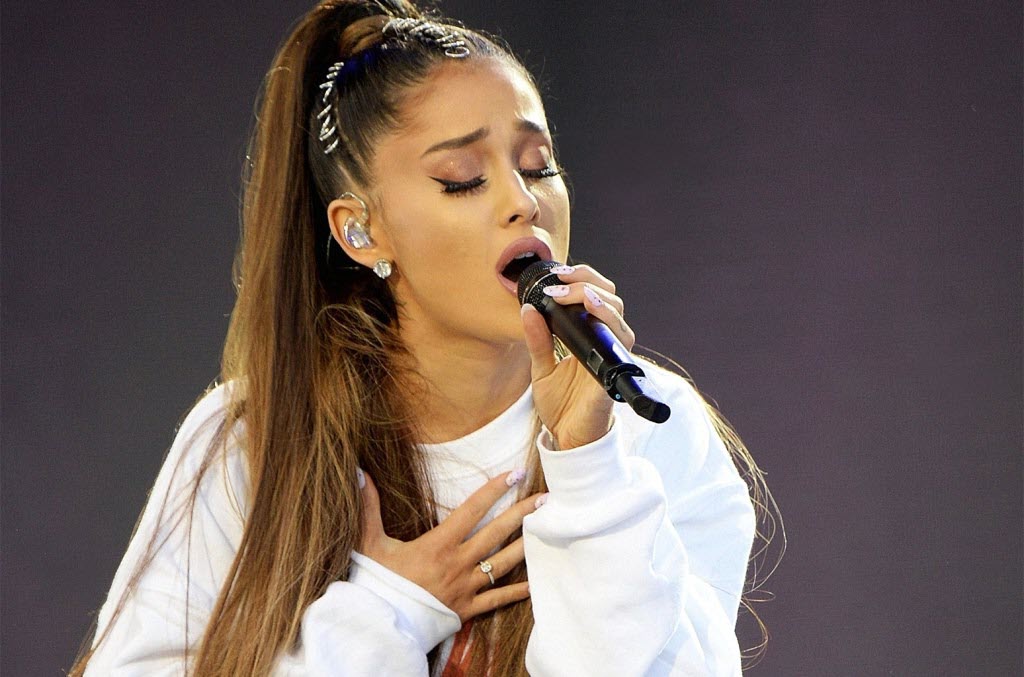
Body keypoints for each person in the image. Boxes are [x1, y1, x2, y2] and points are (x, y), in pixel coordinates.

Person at [70, 1, 778, 674]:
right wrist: (388, 613)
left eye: (539, 166)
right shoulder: (253, 438)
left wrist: (588, 465)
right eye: (462, 179)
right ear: (360, 230)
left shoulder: (649, 426)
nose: (523, 202)